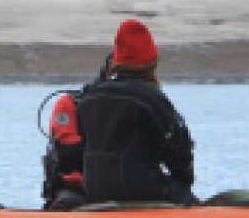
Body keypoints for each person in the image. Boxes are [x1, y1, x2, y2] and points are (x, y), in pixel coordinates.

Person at [76, 19, 196, 205]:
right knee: (187, 200)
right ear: (151, 62)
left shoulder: (89, 98)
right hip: (140, 190)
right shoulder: (150, 98)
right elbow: (178, 150)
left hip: (94, 191)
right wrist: (184, 182)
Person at [41, 53, 113, 210]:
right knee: (67, 202)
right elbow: (67, 150)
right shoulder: (70, 104)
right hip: (76, 190)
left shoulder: (146, 105)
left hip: (126, 188)